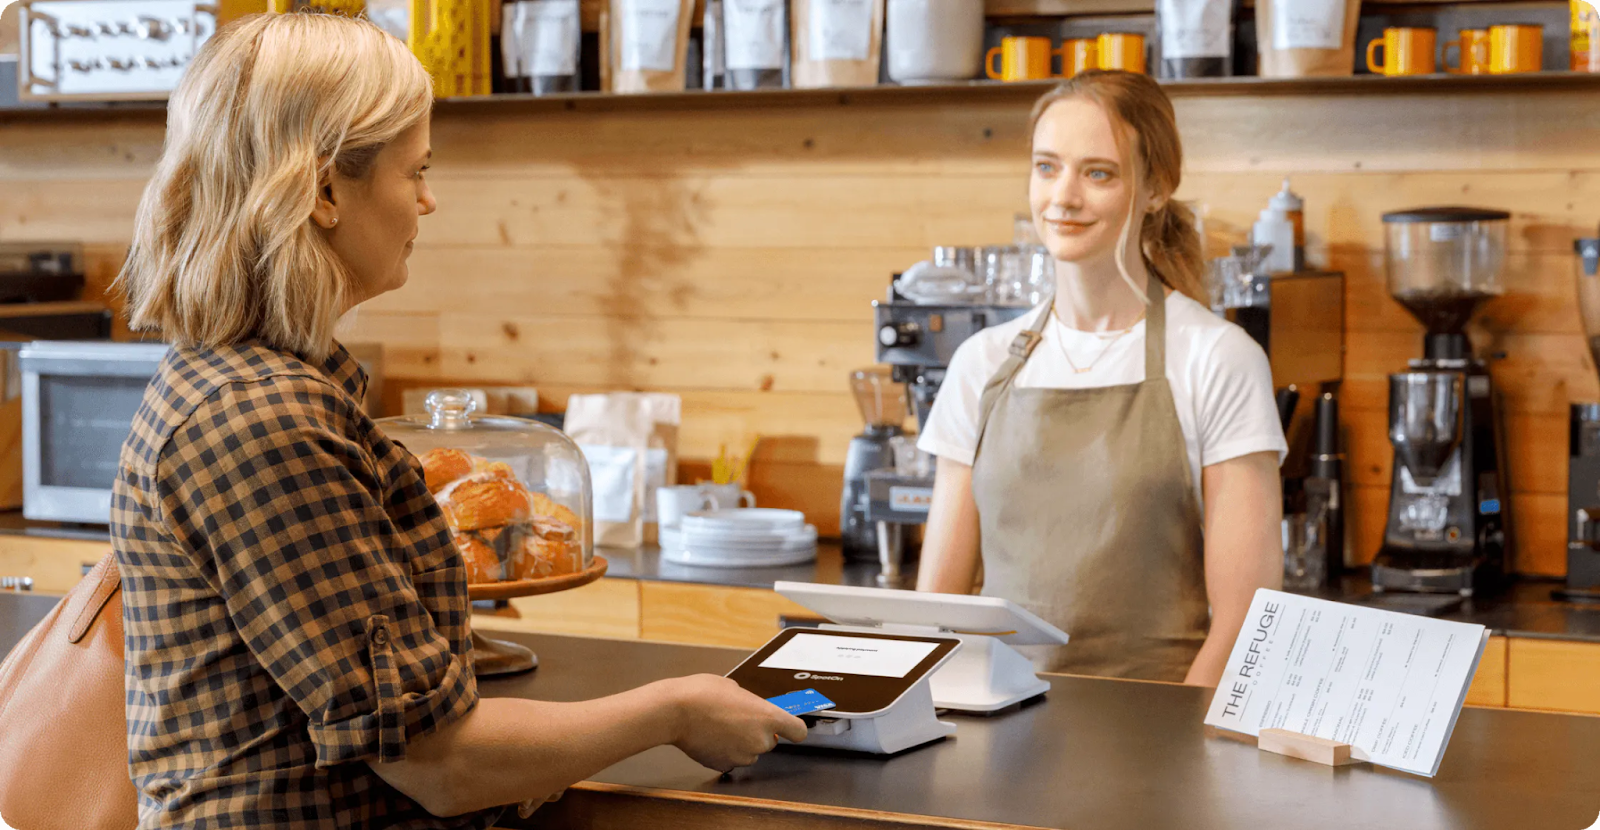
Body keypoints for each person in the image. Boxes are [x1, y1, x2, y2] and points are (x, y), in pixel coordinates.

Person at [109, 14, 804, 828]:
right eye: (417, 171)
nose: (429, 201)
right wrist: (675, 710)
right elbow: (441, 764)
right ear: (326, 190)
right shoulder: (260, 421)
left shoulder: (272, 388)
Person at [914, 71, 1286, 688]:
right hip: (998, 736)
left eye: (1098, 173)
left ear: (1157, 188)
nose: (1063, 197)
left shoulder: (1217, 359)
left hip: (1159, 741)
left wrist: (1177, 748)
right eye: (1046, 167)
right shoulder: (982, 363)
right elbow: (937, 611)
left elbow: (1248, 617)